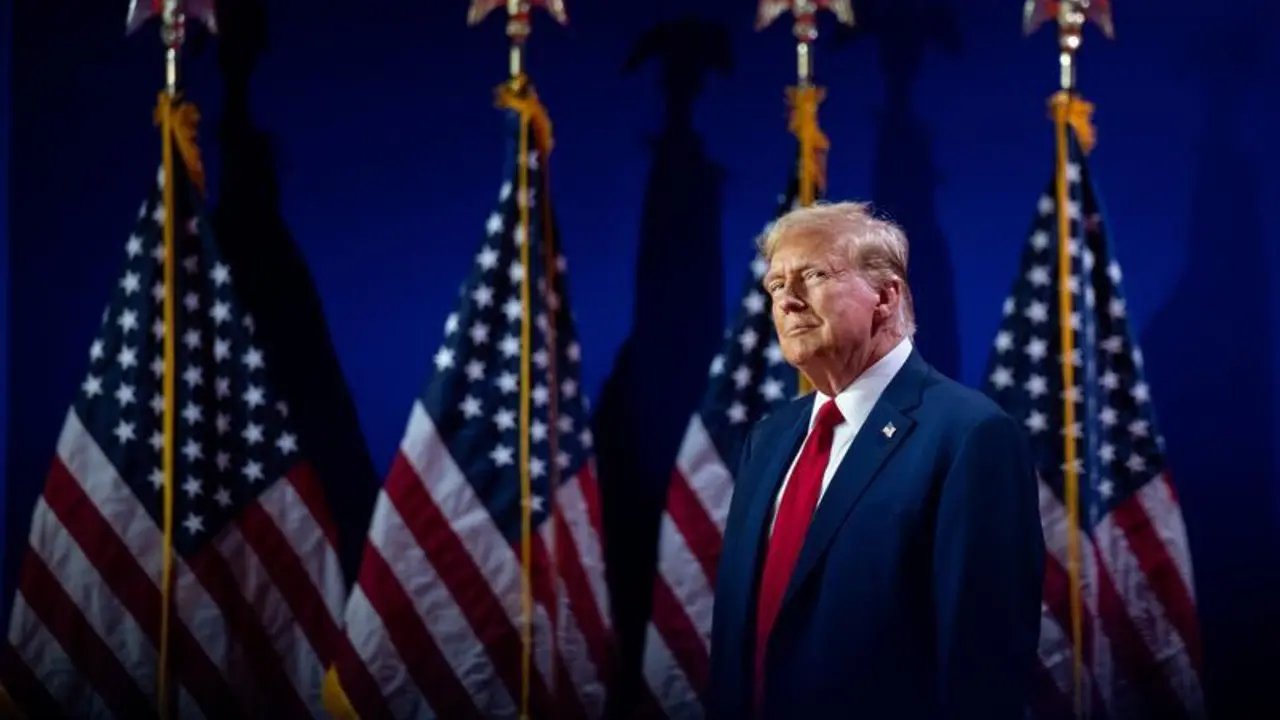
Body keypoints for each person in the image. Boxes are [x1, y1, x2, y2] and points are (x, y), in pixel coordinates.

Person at [706, 201, 1045, 719]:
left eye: (813, 275)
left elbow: (982, 663)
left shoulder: (968, 435)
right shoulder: (769, 438)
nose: (788, 301)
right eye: (776, 286)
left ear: (885, 296)